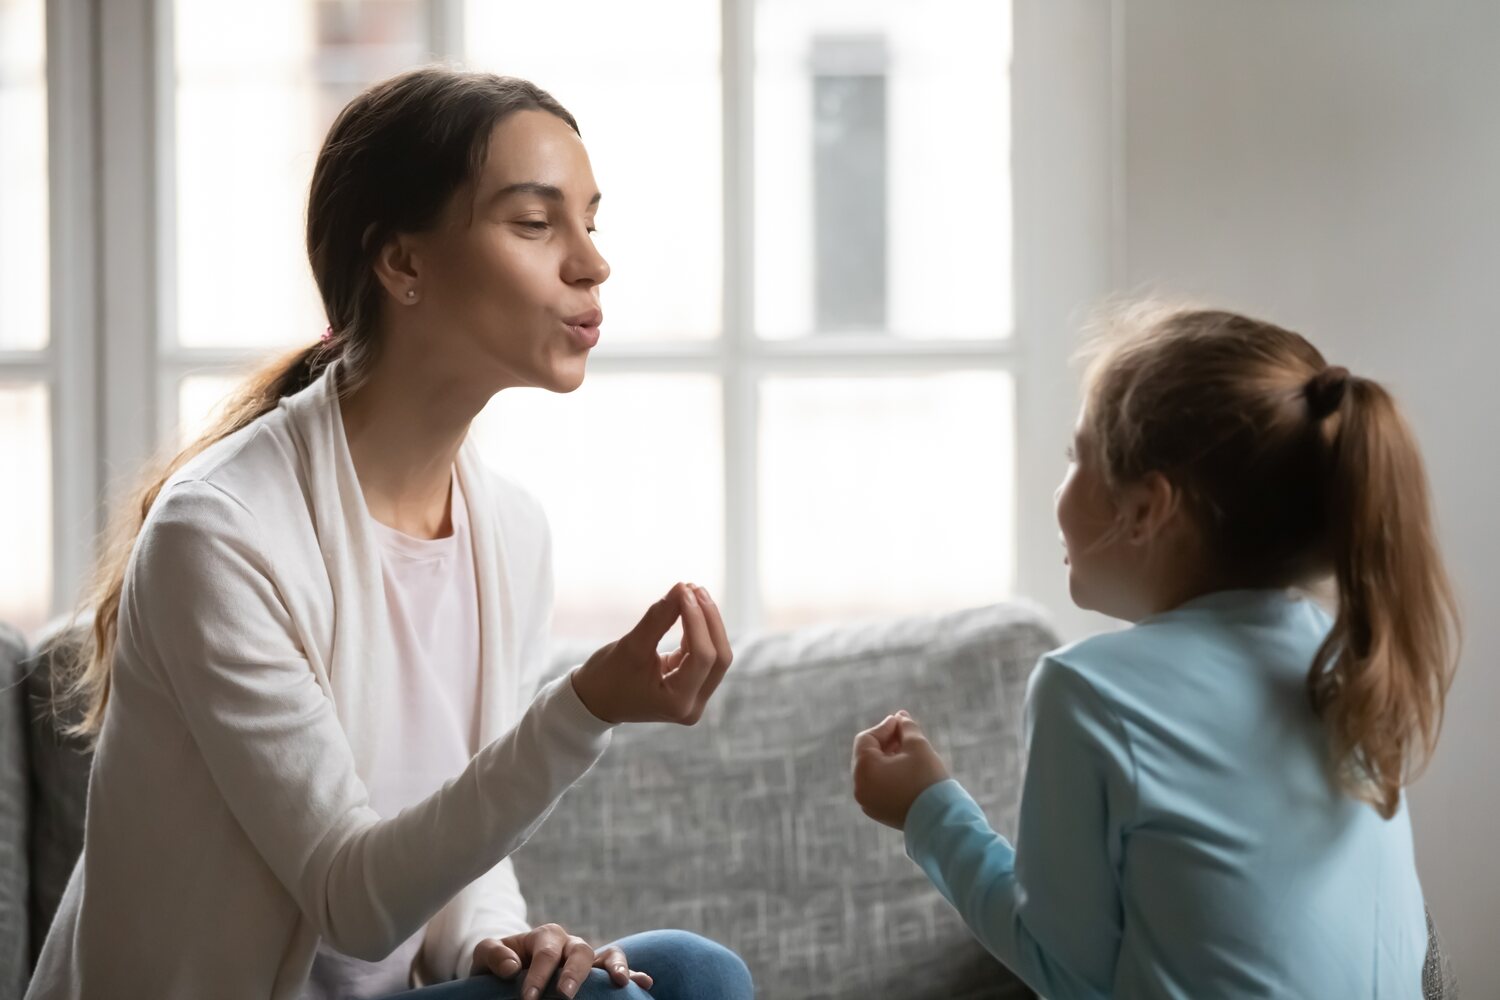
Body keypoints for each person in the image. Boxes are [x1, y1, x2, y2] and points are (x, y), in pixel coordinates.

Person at [29, 68, 753, 1000]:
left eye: (590, 222)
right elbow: (354, 901)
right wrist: (582, 712)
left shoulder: (510, 535)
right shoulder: (223, 533)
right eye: (535, 224)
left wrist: (500, 943)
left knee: (693, 973)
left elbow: (462, 860)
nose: (590, 263)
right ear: (402, 263)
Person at [852, 304, 1459, 998]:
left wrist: (928, 808)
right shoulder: (1348, 657)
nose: (1060, 491)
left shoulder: (1089, 692)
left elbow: (1065, 975)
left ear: (1146, 509)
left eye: (1077, 457)